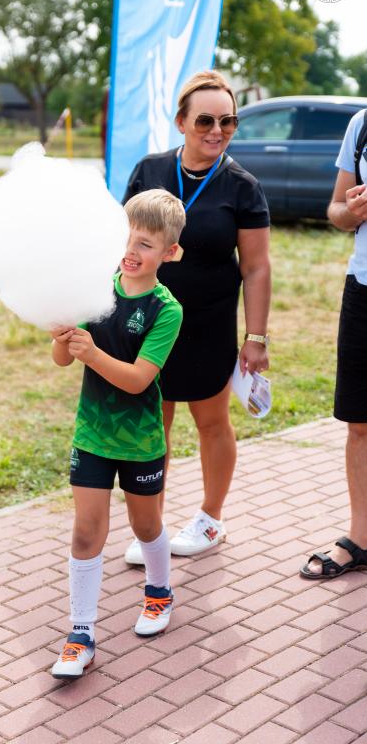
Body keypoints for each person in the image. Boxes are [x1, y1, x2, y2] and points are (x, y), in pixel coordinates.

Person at [122, 70, 271, 565]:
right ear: (181, 122)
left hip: (208, 323)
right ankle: (152, 527)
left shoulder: (242, 186)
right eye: (205, 120)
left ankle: (211, 519)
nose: (217, 130)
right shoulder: (149, 171)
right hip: (149, 321)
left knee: (211, 421)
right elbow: (122, 243)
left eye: (228, 121)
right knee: (153, 424)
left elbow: (256, 266)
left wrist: (256, 336)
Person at [50, 189, 185, 680]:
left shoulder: (167, 310)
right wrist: (62, 337)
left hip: (141, 440)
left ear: (170, 252)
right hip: (92, 433)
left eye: (146, 244)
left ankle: (159, 592)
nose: (131, 250)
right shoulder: (96, 289)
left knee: (145, 525)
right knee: (86, 530)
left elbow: (138, 380)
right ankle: (80, 634)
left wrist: (90, 353)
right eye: (126, 239)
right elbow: (62, 359)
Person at [300, 108, 367, 579]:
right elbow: (335, 210)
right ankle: (361, 539)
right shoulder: (361, 124)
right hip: (363, 288)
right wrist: (352, 210)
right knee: (359, 422)